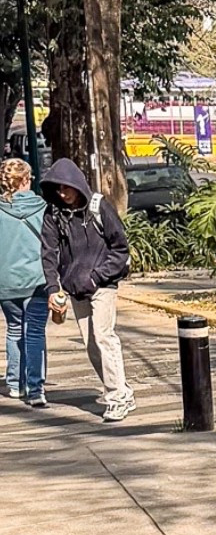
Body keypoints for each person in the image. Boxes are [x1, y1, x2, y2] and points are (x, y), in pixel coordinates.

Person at [40, 160, 135, 422]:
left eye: (66, 188)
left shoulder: (99, 206)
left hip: (102, 283)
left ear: (77, 184)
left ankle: (117, 397)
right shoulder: (53, 214)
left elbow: (120, 248)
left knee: (104, 337)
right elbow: (48, 253)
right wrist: (52, 288)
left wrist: (97, 277)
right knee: (91, 343)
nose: (63, 193)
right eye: (58, 189)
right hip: (74, 287)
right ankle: (120, 389)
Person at [0, 157, 49, 407]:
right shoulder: (41, 207)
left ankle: (14, 384)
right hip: (37, 279)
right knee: (35, 331)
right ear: (27, 180)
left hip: (6, 282)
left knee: (15, 330)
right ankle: (35, 387)